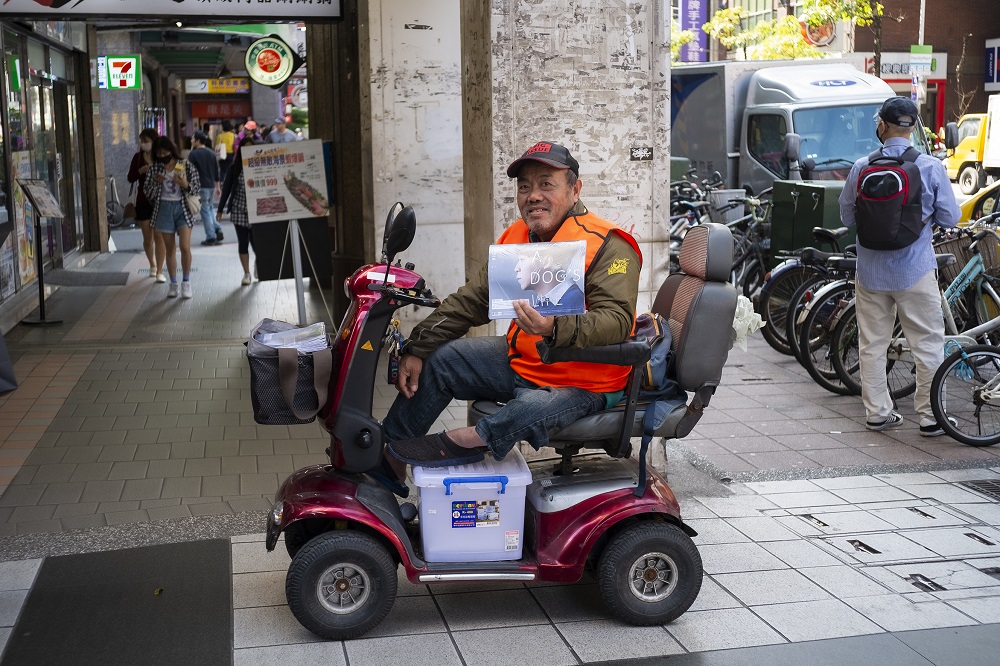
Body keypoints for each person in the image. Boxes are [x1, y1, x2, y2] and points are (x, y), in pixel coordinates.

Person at [377, 141, 641, 493]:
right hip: (522, 362)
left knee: (531, 406)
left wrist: (553, 327)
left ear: (575, 189)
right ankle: (385, 459)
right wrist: (416, 347)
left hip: (583, 383)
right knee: (443, 360)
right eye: (524, 186)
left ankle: (466, 440)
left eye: (546, 183)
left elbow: (617, 321)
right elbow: (471, 300)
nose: (533, 196)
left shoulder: (609, 244)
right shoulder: (516, 239)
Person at [838, 97, 960, 436]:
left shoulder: (862, 166)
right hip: (915, 270)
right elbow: (951, 216)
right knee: (928, 344)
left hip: (871, 271)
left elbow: (846, 215)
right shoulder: (930, 166)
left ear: (882, 125)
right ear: (913, 127)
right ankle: (930, 416)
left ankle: (877, 413)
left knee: (872, 343)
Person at [144, 136, 201, 299]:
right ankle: (173, 283)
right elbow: (148, 193)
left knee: (184, 246)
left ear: (172, 150)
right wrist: (156, 182)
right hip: (163, 209)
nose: (163, 155)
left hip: (183, 208)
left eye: (165, 152)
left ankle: (186, 282)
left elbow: (196, 187)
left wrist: (185, 184)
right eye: (159, 153)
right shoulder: (155, 168)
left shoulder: (184, 165)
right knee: (170, 249)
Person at [126, 128, 166, 281]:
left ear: (154, 141)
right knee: (148, 237)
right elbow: (130, 178)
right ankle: (152, 264)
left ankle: (160, 270)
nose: (143, 144)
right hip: (143, 201)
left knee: (159, 236)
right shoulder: (138, 158)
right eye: (142, 141)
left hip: (160, 200)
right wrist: (140, 171)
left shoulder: (161, 156)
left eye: (146, 141)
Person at [217, 136, 257, 286]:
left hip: (257, 211)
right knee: (243, 242)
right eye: (244, 147)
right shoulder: (234, 168)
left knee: (257, 243)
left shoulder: (261, 166)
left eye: (250, 147)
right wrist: (220, 209)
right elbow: (226, 188)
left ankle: (258, 264)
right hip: (239, 210)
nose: (247, 151)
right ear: (240, 150)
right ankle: (246, 273)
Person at [513, 244, 585, 312]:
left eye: (522, 260)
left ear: (546, 262)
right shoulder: (544, 300)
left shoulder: (572, 300)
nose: (516, 268)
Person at [188, 131, 224, 246]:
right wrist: (218, 186)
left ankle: (210, 236)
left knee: (205, 211)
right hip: (211, 185)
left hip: (200, 186)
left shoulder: (193, 154)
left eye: (193, 139)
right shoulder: (211, 153)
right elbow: (216, 171)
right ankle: (217, 228)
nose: (191, 140)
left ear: (198, 141)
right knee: (210, 208)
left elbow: (189, 171)